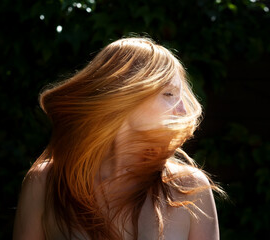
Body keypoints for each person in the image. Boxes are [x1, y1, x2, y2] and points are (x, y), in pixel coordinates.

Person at [13, 37, 224, 240]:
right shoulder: (46, 182)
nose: (183, 109)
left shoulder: (189, 187)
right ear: (125, 95)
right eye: (169, 94)